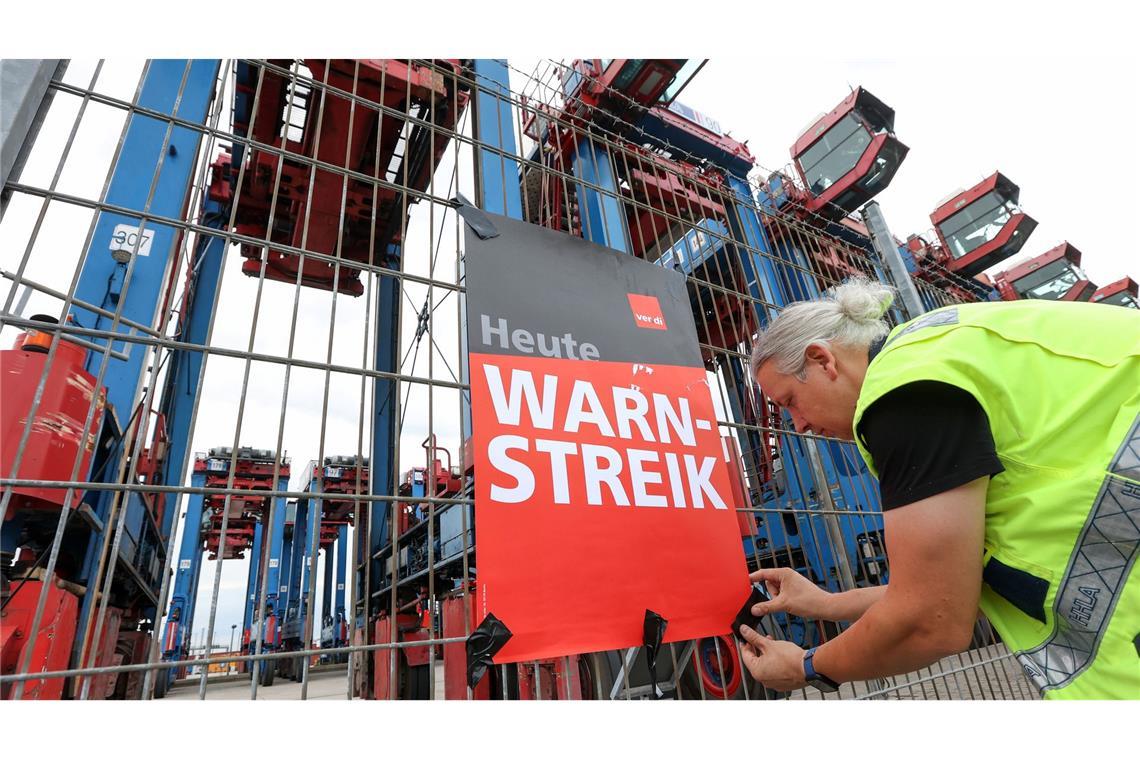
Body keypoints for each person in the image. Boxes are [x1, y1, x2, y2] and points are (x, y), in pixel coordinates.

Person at [738, 278, 1139, 699]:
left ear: (822, 360)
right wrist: (828, 605)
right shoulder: (934, 350)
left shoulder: (903, 391)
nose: (798, 426)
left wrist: (807, 666)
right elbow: (952, 586)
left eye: (790, 402)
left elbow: (932, 619)